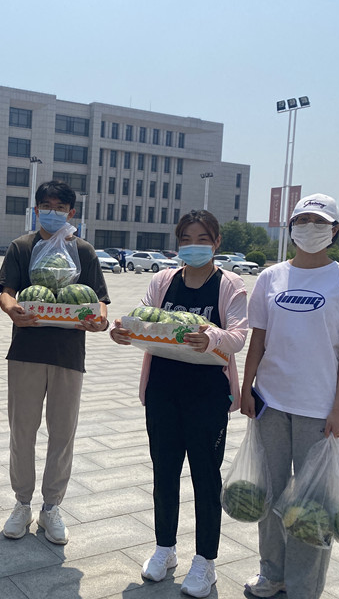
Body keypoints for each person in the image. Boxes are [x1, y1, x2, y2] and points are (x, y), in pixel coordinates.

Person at [240, 194, 339, 599]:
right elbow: (258, 339)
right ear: (291, 227)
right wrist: (246, 388)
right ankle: (272, 573)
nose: (310, 228)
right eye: (303, 220)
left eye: (319, 221)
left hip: (319, 410)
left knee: (313, 507)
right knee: (269, 494)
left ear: (334, 230)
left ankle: (303, 587)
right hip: (271, 404)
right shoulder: (271, 277)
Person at [110, 209, 248, 598]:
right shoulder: (163, 281)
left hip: (207, 394)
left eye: (203, 239)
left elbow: (239, 334)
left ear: (216, 242)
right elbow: (143, 318)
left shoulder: (229, 284)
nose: (193, 246)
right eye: (186, 239)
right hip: (163, 390)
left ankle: (205, 561)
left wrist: (213, 338)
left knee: (206, 476)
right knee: (165, 472)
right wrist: (124, 331)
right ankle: (164, 548)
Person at [0, 180, 109, 545]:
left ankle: (51, 507)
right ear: (36, 209)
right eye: (46, 205)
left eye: (60, 207)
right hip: (26, 352)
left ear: (71, 212)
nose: (52, 211)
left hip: (68, 354)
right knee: (22, 432)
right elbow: (7, 292)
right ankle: (22, 503)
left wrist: (100, 319)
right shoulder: (22, 246)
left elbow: (98, 300)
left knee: (62, 433)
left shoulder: (83, 250)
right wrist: (12, 309)